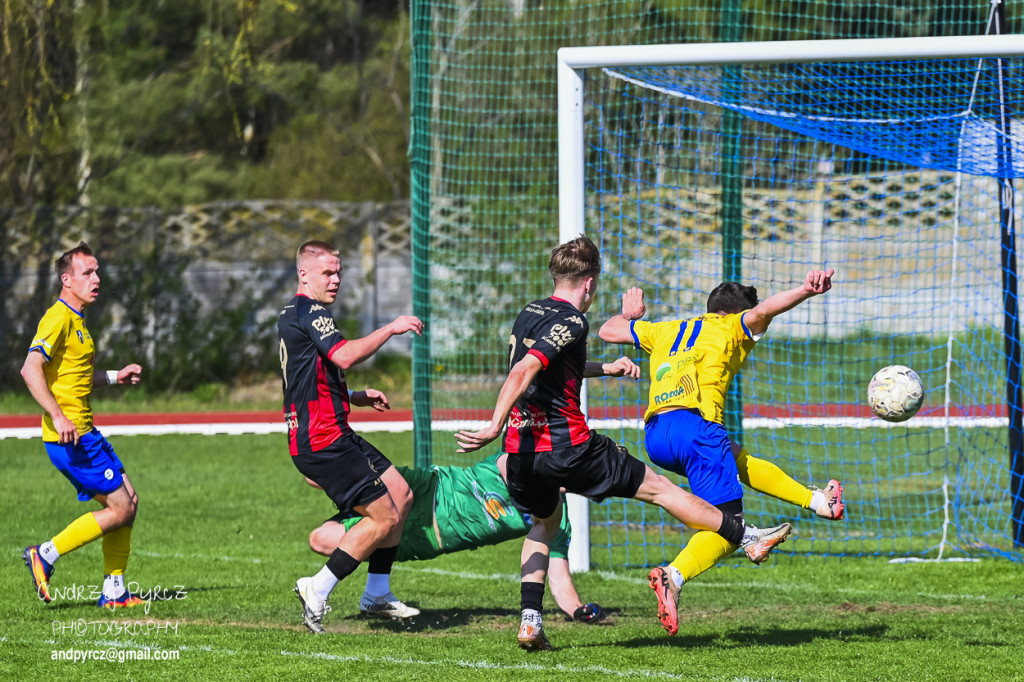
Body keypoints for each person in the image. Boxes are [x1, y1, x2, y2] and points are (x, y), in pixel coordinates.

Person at [454, 235, 791, 651]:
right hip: (570, 448)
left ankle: (530, 620)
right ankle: (745, 536)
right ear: (590, 284)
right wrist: (491, 424)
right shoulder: (574, 321)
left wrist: (605, 368)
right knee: (662, 489)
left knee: (544, 524)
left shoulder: (531, 311)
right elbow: (524, 369)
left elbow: (547, 367)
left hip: (523, 453)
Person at [598, 270, 843, 636]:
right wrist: (806, 291)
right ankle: (673, 576)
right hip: (698, 428)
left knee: (736, 458)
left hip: (657, 435)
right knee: (729, 526)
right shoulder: (730, 327)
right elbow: (766, 312)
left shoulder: (665, 329)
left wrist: (633, 316)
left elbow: (607, 331)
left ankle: (818, 502)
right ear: (733, 315)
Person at [279, 240, 423, 634]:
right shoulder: (311, 311)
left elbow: (309, 376)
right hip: (324, 439)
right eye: (328, 272)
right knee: (385, 516)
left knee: (402, 494)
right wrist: (391, 328)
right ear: (304, 275)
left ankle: (377, 593)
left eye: (339, 272)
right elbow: (342, 356)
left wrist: (354, 396)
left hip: (331, 432)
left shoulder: (295, 314)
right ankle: (318, 587)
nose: (337, 279)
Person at [307, 453, 609, 624]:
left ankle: (332, 582)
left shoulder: (556, 518)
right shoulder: (519, 464)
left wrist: (578, 611)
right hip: (425, 493)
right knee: (317, 476)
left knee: (320, 540)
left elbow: (557, 577)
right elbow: (515, 464)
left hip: (423, 541)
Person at [21, 241, 145, 609]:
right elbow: (30, 369)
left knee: (130, 502)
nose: (97, 278)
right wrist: (58, 415)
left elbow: (76, 377)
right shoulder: (57, 317)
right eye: (87, 272)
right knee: (121, 508)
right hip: (69, 436)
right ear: (67, 279)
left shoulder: (78, 322)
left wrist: (114, 377)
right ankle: (45, 554)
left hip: (86, 432)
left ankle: (114, 592)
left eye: (97, 271)